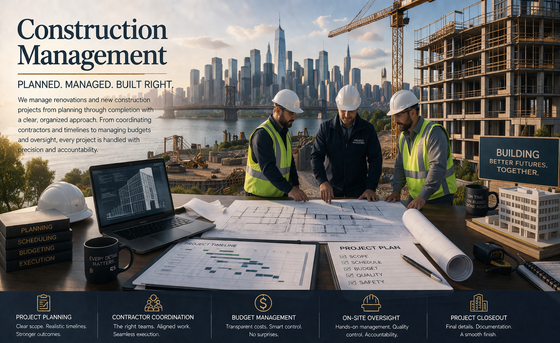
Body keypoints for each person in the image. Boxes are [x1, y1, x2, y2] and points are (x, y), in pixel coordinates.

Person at [385, 90, 457, 210]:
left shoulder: (434, 132)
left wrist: (422, 197)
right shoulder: (402, 137)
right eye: (394, 116)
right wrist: (396, 190)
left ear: (412, 113)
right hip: (415, 198)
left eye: (398, 115)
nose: (395, 121)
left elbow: (437, 167)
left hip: (439, 199)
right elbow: (399, 166)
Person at [310, 85, 383, 204]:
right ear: (337, 106)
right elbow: (316, 157)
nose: (347, 115)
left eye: (351, 111)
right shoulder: (325, 128)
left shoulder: (368, 129)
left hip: (360, 192)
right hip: (331, 191)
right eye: (343, 110)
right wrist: (323, 182)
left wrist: (370, 188)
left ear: (358, 107)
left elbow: (375, 159)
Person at [244, 89, 308, 202]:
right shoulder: (262, 135)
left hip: (280, 195)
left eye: (295, 113)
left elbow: (290, 162)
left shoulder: (285, 132)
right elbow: (268, 168)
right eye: (291, 113)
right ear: (278, 110)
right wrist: (290, 190)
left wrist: (295, 184)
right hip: (258, 197)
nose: (295, 117)